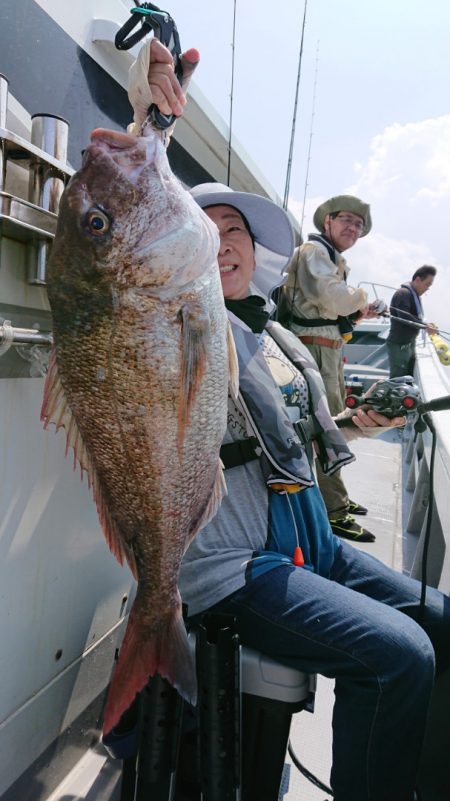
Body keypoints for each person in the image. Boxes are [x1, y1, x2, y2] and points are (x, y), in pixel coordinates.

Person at [128, 39, 450, 801]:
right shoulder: (179, 320)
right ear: (185, 252)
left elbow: (275, 437)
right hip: (236, 567)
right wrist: (152, 119)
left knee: (442, 620)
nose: (227, 243)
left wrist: (355, 420)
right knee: (399, 654)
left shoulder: (269, 334)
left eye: (239, 236)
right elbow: (132, 209)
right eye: (211, 235)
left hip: (309, 542)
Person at [278, 197, 381, 543]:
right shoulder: (313, 252)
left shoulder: (332, 258)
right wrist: (364, 298)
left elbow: (335, 311)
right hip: (314, 353)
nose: (353, 228)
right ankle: (333, 511)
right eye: (347, 221)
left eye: (359, 225)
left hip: (329, 352)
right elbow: (336, 299)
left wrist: (357, 312)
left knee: (333, 422)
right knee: (326, 429)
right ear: (328, 223)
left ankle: (334, 495)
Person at [386, 265, 438, 378]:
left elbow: (415, 317)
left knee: (408, 377)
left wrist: (427, 325)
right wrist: (425, 326)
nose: (427, 288)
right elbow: (404, 317)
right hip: (399, 346)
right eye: (427, 284)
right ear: (418, 279)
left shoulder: (414, 295)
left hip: (409, 344)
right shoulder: (403, 293)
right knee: (398, 379)